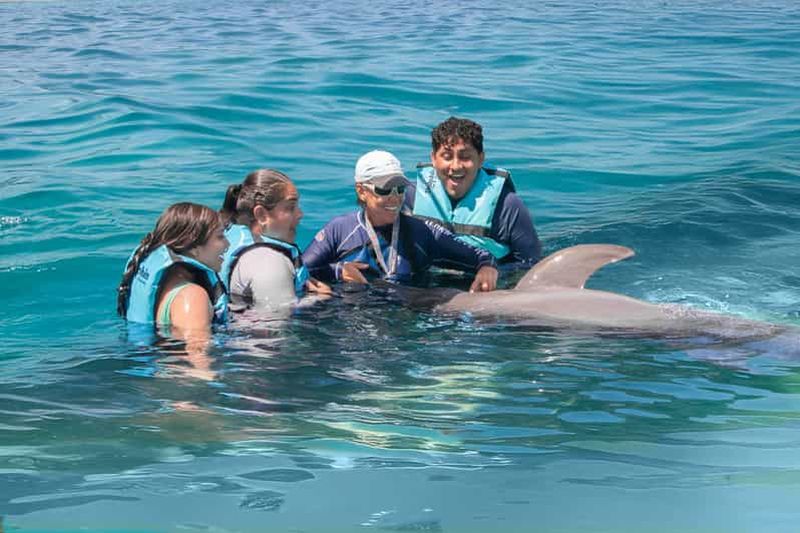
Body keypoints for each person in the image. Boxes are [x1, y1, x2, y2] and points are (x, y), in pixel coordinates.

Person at [303, 150, 499, 292]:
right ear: (361, 191)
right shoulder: (340, 230)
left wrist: (487, 268)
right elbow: (297, 271)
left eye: (400, 188)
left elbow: (481, 256)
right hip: (350, 320)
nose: (395, 197)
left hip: (405, 322)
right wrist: (337, 271)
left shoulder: (423, 232)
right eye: (385, 190)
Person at [407, 116, 542, 269]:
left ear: (481, 159)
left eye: (465, 157)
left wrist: (496, 272)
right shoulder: (411, 197)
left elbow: (531, 263)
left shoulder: (508, 205)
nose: (456, 166)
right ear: (433, 158)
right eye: (447, 156)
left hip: (483, 284)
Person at [219, 168, 330, 311]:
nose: (300, 214)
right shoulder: (270, 263)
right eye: (290, 208)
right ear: (261, 215)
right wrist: (319, 298)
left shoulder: (226, 237)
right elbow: (274, 327)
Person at [117, 202, 229, 333]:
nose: (227, 244)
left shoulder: (169, 281)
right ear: (194, 246)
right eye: (220, 236)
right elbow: (197, 353)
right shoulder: (192, 297)